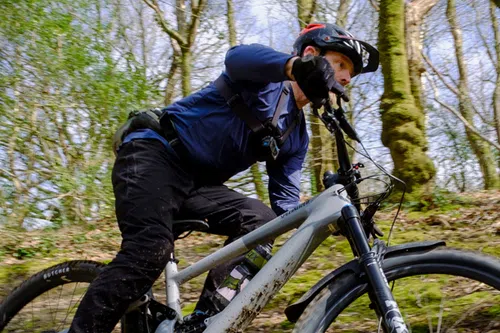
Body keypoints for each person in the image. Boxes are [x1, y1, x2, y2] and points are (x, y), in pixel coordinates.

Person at [68, 22, 379, 333]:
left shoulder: (296, 137)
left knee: (261, 222)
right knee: (149, 250)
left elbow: (286, 208)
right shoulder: (267, 80)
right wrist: (293, 66)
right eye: (340, 64)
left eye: (348, 73)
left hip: (196, 186)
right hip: (154, 154)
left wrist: (337, 217)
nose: (345, 77)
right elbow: (238, 58)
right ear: (311, 53)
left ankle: (205, 320)